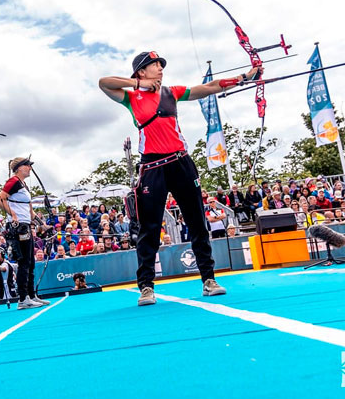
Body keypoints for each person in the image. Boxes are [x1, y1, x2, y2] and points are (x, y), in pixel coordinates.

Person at [99, 51, 250, 305]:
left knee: (197, 222)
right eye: (154, 65)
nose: (160, 68)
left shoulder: (172, 92)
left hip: (180, 163)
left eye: (160, 65)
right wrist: (138, 84)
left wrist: (243, 77)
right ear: (141, 71)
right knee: (149, 229)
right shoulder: (130, 96)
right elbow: (104, 83)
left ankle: (209, 280)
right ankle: (146, 287)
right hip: (152, 168)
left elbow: (208, 87)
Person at [0, 157, 50, 309]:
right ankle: (22, 298)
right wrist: (13, 215)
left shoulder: (23, 184)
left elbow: (31, 212)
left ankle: (31, 295)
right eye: (27, 165)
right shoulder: (13, 181)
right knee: (24, 262)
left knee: (30, 262)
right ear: (19, 168)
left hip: (26, 225)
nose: (30, 168)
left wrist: (43, 226)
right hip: (18, 227)